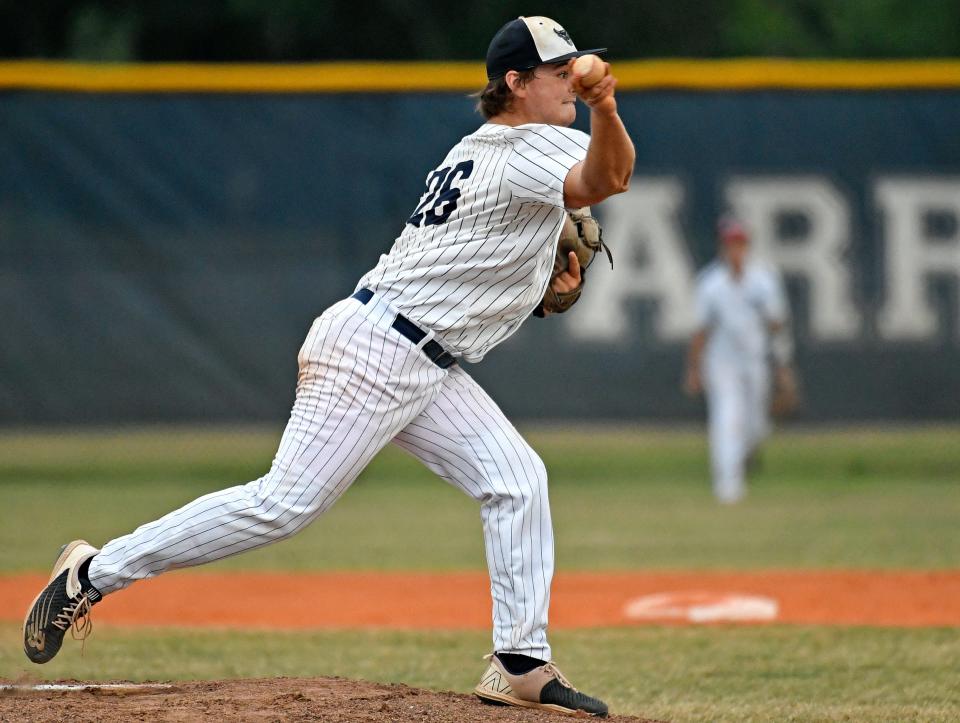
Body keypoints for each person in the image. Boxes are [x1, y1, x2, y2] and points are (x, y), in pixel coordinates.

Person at [23, 15, 634, 718]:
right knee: (282, 504)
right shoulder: (533, 144)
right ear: (515, 83)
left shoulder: (486, 148)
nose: (572, 77)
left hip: (414, 354)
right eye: (557, 71)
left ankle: (520, 661)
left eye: (573, 68)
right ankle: (94, 571)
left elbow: (473, 258)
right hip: (377, 352)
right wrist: (606, 107)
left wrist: (530, 282)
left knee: (516, 479)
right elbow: (608, 177)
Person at [684, 216, 797, 504]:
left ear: (747, 246)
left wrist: (783, 367)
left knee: (755, 424)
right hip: (721, 363)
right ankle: (728, 484)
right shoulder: (711, 283)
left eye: (740, 244)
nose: (736, 250)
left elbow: (777, 327)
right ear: (723, 247)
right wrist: (694, 369)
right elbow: (700, 331)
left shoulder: (763, 281)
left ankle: (743, 456)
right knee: (727, 418)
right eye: (731, 244)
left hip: (754, 361)